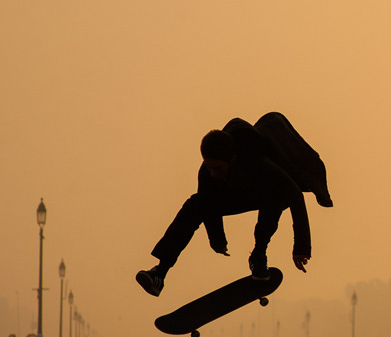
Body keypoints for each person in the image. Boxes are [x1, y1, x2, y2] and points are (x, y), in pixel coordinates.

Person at [136, 112, 332, 296]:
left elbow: (295, 196)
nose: (213, 173)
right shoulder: (207, 172)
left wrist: (301, 248)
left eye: (218, 168)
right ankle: (159, 273)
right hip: (238, 194)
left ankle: (258, 256)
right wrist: (218, 239)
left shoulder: (260, 162)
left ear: (233, 157)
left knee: (274, 196)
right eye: (209, 167)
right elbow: (207, 203)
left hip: (268, 193)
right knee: (195, 203)